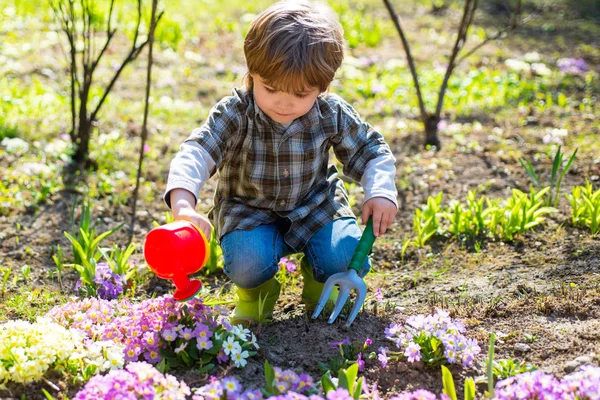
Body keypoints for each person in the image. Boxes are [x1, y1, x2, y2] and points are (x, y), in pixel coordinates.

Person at [164, 0, 398, 325]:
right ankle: (257, 293)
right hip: (249, 211)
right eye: (270, 88)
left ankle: (320, 282)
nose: (283, 103)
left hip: (314, 205)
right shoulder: (236, 112)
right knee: (248, 262)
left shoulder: (330, 113)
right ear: (251, 74)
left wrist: (381, 191)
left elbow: (371, 151)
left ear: (323, 87)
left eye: (301, 94)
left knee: (344, 254)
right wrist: (184, 202)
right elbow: (198, 152)